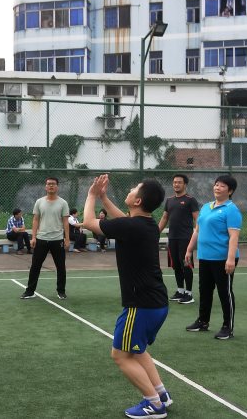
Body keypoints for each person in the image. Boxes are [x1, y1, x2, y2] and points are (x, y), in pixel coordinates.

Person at [81, 174, 172, 419]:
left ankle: (154, 405)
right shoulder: (146, 224)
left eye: (135, 188)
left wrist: (91, 195)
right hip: (156, 303)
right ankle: (161, 394)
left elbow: (88, 222)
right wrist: (104, 197)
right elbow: (123, 220)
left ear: (138, 200)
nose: (131, 189)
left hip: (141, 305)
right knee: (138, 350)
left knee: (121, 355)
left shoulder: (132, 226)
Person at [184, 175, 242, 340]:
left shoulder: (231, 210)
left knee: (225, 292)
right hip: (205, 257)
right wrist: (189, 250)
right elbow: (197, 230)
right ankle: (203, 321)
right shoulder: (205, 207)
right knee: (205, 290)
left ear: (230, 191)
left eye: (222, 186)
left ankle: (227, 327)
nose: (217, 187)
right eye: (216, 184)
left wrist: (230, 259)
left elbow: (234, 236)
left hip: (222, 258)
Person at [20, 177, 70, 300]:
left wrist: (67, 239)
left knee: (61, 267)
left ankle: (61, 291)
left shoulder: (63, 203)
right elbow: (35, 220)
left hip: (57, 239)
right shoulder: (39, 202)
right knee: (35, 266)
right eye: (49, 184)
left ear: (57, 186)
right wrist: (33, 237)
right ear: (45, 186)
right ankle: (29, 291)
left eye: (53, 184)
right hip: (41, 239)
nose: (51, 186)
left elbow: (65, 222)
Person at [158, 174, 200, 304]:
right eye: (174, 182)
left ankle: (189, 294)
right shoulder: (169, 200)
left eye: (179, 182)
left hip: (186, 238)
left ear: (185, 184)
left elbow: (197, 219)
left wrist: (198, 234)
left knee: (186, 265)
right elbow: (165, 218)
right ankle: (180, 291)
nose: (176, 184)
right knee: (176, 265)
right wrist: (156, 232)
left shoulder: (190, 200)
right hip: (172, 238)